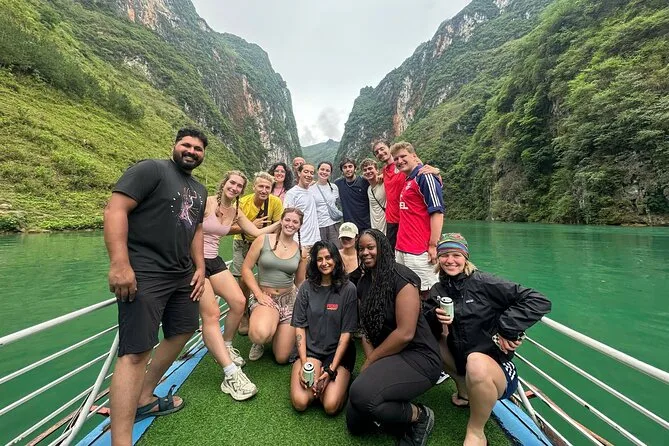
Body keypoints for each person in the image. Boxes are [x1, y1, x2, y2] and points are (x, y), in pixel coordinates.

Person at [104, 128, 208, 444]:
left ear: (203, 154)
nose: (191, 151)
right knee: (135, 352)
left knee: (184, 330)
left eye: (198, 148)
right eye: (186, 145)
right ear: (175, 146)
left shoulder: (200, 189)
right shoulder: (151, 169)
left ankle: (144, 396)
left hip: (182, 274)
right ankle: (121, 440)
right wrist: (119, 263)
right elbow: (115, 209)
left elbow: (196, 228)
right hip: (145, 272)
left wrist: (200, 266)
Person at [431, 233, 551, 446]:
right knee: (432, 342)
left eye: (456, 255)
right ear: (438, 258)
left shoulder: (484, 282)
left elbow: (538, 300)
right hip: (463, 361)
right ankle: (465, 393)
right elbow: (425, 317)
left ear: (465, 257)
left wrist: (508, 329)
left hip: (496, 368)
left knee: (476, 361)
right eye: (445, 255)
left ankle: (476, 431)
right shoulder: (439, 289)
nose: (450, 260)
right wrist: (434, 315)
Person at [346, 229, 441, 445]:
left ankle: (420, 415)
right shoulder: (363, 283)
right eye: (361, 249)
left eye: (370, 247)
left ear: (382, 248)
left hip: (419, 357)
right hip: (389, 356)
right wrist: (372, 363)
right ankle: (389, 407)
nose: (365, 252)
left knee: (361, 395)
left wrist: (371, 361)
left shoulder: (402, 279)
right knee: (355, 423)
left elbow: (405, 333)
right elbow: (366, 330)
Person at [200, 171, 281, 400]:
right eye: (232, 183)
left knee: (239, 301)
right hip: (194, 261)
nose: (234, 188)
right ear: (224, 183)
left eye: (238, 186)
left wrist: (281, 222)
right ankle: (229, 373)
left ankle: (226, 344)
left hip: (213, 260)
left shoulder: (235, 210)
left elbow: (255, 232)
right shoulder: (206, 203)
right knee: (212, 313)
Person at [290, 241, 358, 415]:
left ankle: (341, 381)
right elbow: (299, 327)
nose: (324, 263)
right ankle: (317, 378)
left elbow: (346, 334)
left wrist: (331, 370)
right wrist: (304, 365)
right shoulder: (306, 287)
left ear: (336, 259)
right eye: (319, 259)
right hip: (311, 351)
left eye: (328, 257)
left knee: (330, 406)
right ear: (314, 262)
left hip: (338, 354)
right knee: (300, 402)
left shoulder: (349, 289)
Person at [241, 208, 308, 362]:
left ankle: (278, 327)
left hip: (288, 301)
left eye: (295, 222)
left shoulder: (301, 250)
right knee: (259, 335)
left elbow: (300, 281)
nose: (290, 224)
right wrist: (258, 294)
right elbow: (246, 269)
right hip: (266, 298)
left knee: (282, 358)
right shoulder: (262, 240)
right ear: (281, 221)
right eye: (287, 220)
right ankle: (262, 336)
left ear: (300, 225)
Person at [229, 172, 284, 334]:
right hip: (243, 242)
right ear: (254, 187)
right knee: (243, 279)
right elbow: (228, 228)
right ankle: (244, 314)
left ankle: (269, 310)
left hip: (265, 242)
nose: (264, 190)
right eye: (261, 186)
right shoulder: (242, 203)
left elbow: (278, 225)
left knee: (270, 276)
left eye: (268, 187)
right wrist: (250, 225)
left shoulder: (275, 202)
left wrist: (274, 248)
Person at [391, 142, 444, 295]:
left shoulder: (425, 177)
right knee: (405, 291)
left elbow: (437, 212)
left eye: (403, 156)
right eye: (396, 159)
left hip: (419, 251)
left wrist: (433, 245)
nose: (399, 161)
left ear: (414, 156)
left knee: (426, 292)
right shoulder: (408, 180)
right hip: (402, 248)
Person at [371, 139, 439, 250]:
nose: (380, 153)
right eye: (376, 152)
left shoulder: (404, 165)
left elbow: (423, 172)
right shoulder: (385, 171)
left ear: (389, 148)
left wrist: (436, 171)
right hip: (391, 220)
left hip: (407, 219)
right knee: (392, 254)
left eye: (382, 149)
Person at [284, 164, 320, 253]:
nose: (309, 175)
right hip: (300, 242)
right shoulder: (292, 193)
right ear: (299, 173)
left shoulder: (312, 191)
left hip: (316, 241)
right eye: (306, 172)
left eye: (311, 173)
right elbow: (286, 218)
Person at [310, 161, 342, 248]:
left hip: (334, 225)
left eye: (327, 170)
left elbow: (337, 203)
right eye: (322, 169)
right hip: (319, 226)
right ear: (317, 170)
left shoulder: (334, 187)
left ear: (330, 173)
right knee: (321, 251)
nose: (324, 172)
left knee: (337, 250)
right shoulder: (311, 189)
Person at [334, 158, 371, 231]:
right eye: (345, 167)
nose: (348, 169)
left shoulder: (364, 181)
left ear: (355, 168)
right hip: (349, 227)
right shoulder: (338, 184)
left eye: (350, 166)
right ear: (342, 171)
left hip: (366, 225)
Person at [360, 158, 386, 234]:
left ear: (377, 170)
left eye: (370, 168)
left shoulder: (384, 184)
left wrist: (385, 175)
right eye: (365, 170)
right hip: (375, 229)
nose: (368, 171)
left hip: (388, 226)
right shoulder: (369, 189)